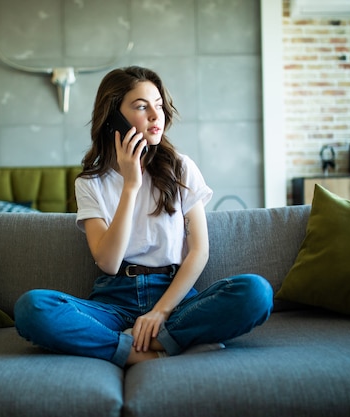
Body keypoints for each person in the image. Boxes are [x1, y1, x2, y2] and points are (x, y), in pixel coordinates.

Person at [14, 66, 273, 367]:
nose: (155, 115)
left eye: (159, 105)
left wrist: (159, 312)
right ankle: (154, 348)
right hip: (115, 303)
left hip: (175, 299)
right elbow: (108, 263)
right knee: (32, 308)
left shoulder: (181, 167)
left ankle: (140, 343)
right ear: (114, 116)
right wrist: (131, 185)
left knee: (256, 292)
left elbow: (199, 251)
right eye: (141, 106)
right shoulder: (89, 183)